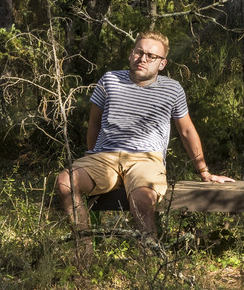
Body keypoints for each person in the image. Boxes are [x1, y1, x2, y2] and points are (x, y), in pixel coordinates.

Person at [55, 32, 225, 244]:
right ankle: (84, 252)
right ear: (130, 54)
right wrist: (94, 157)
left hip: (146, 159)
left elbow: (187, 131)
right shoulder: (110, 80)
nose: (143, 59)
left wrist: (204, 172)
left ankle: (149, 262)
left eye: (151, 56)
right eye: (139, 52)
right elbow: (94, 124)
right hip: (104, 157)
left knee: (142, 201)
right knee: (65, 182)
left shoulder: (172, 89)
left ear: (162, 63)